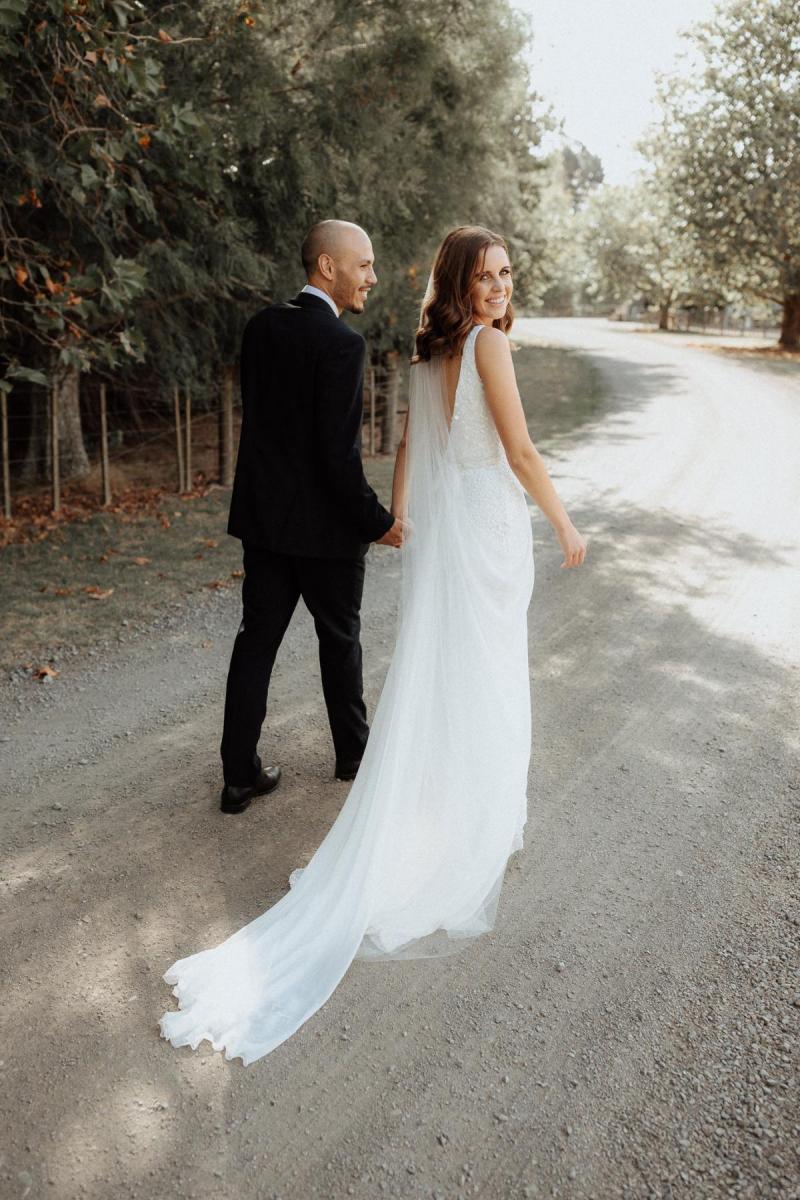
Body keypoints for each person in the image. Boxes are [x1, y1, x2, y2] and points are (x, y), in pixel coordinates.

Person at [159, 224, 587, 1064]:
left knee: (434, 668)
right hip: (480, 532)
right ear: (460, 284)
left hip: (405, 531)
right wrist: (565, 522)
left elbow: (407, 447)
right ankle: (472, 818)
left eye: (507, 274)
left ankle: (285, 777)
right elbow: (520, 450)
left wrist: (403, 519)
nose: (501, 288)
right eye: (487, 276)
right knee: (471, 670)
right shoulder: (484, 350)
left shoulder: (422, 359)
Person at [218, 220, 404, 815]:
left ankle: (238, 775)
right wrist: (379, 522)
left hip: (267, 527)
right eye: (365, 265)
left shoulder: (261, 328)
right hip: (327, 535)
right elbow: (336, 457)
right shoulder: (343, 345)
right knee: (340, 640)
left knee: (256, 644)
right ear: (328, 267)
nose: (373, 277)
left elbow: (271, 433)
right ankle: (353, 756)